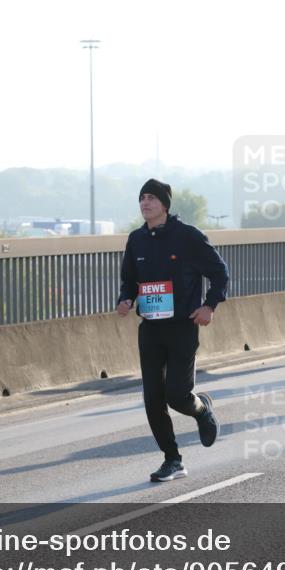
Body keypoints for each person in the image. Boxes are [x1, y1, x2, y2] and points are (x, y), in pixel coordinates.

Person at [117, 178, 229, 482]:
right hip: (151, 329)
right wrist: (126, 298)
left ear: (165, 204)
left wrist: (209, 306)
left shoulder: (188, 237)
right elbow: (129, 278)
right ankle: (173, 459)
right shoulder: (136, 240)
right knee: (152, 398)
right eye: (141, 198)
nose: (145, 203)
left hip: (182, 326)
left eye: (151, 198)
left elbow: (219, 273)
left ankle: (202, 409)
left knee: (177, 395)